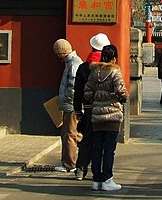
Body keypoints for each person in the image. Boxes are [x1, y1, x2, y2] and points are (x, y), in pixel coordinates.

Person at [83, 44, 128, 192]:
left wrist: (97, 96)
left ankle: (96, 180)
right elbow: (121, 92)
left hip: (97, 114)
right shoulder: (115, 72)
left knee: (97, 148)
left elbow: (87, 93)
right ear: (114, 58)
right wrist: (120, 98)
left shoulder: (93, 72)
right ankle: (107, 179)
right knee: (109, 149)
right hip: (113, 115)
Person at [73, 32, 111, 180]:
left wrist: (77, 109)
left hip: (88, 109)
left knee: (87, 139)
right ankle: (99, 171)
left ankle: (81, 169)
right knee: (102, 140)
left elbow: (78, 90)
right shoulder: (109, 68)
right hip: (105, 108)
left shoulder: (83, 67)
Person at [53, 38, 82, 173]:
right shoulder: (71, 63)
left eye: (57, 52)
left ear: (62, 51)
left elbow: (72, 86)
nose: (57, 55)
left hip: (71, 106)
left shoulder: (73, 64)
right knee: (71, 134)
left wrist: (69, 100)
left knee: (69, 134)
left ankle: (69, 164)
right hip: (70, 105)